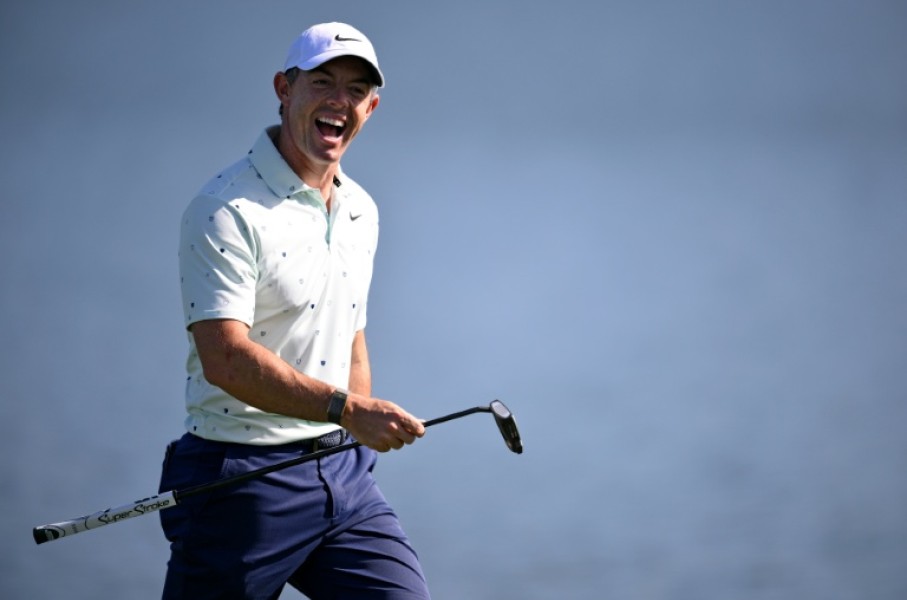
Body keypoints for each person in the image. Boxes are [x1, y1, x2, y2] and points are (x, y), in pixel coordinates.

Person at [158, 22, 431, 599]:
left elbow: (351, 333)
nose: (340, 100)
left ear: (372, 107)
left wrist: (353, 438)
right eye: (323, 82)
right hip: (242, 482)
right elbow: (225, 360)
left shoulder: (361, 210)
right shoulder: (225, 209)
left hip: (343, 478)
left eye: (356, 90)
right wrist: (347, 408)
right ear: (284, 88)